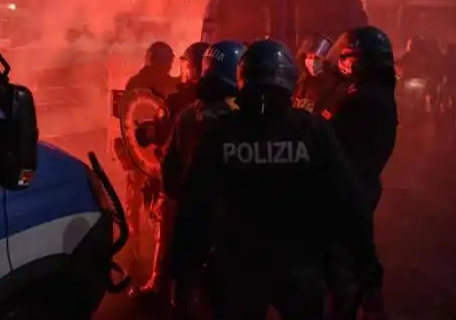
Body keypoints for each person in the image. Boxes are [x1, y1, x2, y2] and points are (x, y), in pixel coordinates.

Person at [170, 39, 375, 320]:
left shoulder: (221, 133)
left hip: (236, 269)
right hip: (300, 267)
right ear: (289, 79)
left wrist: (185, 276)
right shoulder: (312, 130)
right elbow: (347, 200)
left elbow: (194, 207)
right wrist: (359, 268)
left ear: (243, 79)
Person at [133, 41, 246, 301]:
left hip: (192, 207)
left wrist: (177, 194)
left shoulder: (187, 110)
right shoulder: (249, 114)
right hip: (235, 217)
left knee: (185, 275)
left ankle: (160, 283)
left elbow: (170, 165)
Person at [319, 26, 398, 320]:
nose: (342, 61)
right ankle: (370, 298)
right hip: (363, 181)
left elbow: (329, 136)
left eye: (347, 56)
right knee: (359, 245)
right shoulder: (380, 92)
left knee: (341, 259)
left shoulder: (359, 97)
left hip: (348, 185)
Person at [128, 41, 209, 300]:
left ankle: (158, 283)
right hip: (213, 184)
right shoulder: (230, 99)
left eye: (184, 63)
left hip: (178, 182)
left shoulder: (177, 100)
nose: (178, 68)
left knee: (166, 230)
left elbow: (155, 132)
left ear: (194, 67)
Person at [112, 40, 179, 285]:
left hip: (154, 159)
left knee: (149, 211)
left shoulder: (163, 84)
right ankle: (134, 262)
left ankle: (144, 260)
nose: (170, 64)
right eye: (168, 60)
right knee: (138, 211)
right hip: (143, 158)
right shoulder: (139, 85)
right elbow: (128, 124)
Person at [293, 33, 335, 112]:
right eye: (309, 57)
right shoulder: (302, 81)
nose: (312, 62)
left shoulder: (332, 84)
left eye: (317, 58)